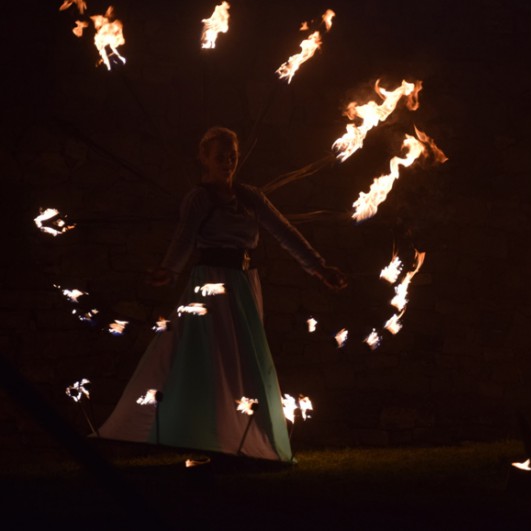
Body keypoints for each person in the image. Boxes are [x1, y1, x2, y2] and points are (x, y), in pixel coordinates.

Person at [98, 127, 346, 462]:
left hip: (243, 284)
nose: (228, 162)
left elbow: (284, 231)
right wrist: (169, 270)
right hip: (210, 284)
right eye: (220, 157)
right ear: (204, 158)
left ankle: (238, 440)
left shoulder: (250, 197)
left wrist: (319, 267)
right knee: (208, 358)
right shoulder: (199, 198)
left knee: (242, 358)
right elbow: (184, 238)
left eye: (232, 156)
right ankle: (202, 439)